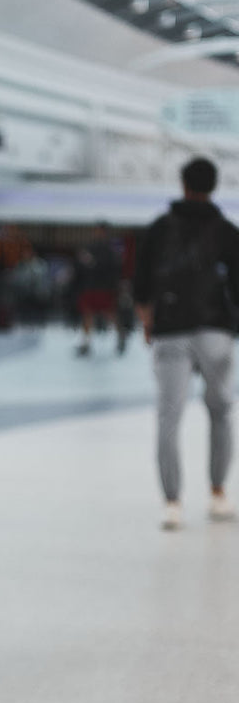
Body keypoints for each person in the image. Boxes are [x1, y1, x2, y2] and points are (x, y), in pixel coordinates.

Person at [134, 156, 239, 531]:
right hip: (216, 331)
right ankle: (217, 493)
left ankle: (172, 502)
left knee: (168, 416)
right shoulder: (227, 232)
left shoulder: (159, 229)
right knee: (221, 411)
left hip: (170, 329)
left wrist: (148, 322)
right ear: (213, 186)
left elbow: (141, 282)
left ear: (182, 184)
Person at [74, 222, 124, 356]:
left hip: (105, 287)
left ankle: (120, 337)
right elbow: (81, 266)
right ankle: (85, 343)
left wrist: (94, 263)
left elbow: (113, 268)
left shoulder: (111, 249)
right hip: (90, 286)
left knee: (110, 314)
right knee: (87, 314)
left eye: (100, 231)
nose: (98, 233)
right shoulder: (90, 247)